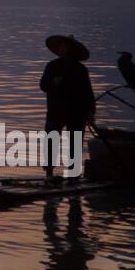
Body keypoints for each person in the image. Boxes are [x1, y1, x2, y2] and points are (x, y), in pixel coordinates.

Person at [40, 35, 95, 179]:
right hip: (55, 111)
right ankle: (49, 173)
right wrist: (54, 83)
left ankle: (73, 174)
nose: (62, 49)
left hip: (77, 112)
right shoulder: (52, 66)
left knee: (75, 144)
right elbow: (43, 85)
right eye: (61, 47)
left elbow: (88, 92)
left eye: (65, 47)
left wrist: (90, 112)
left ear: (71, 50)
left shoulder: (80, 69)